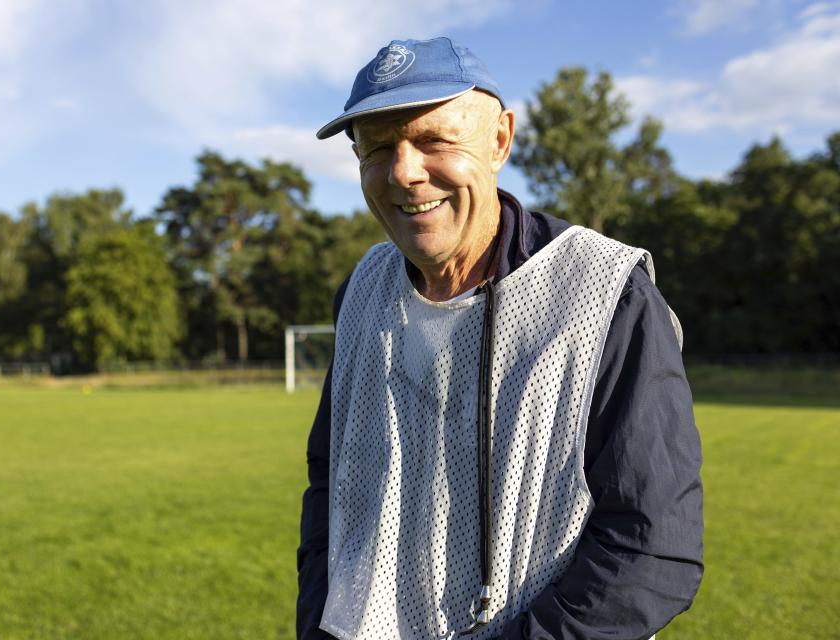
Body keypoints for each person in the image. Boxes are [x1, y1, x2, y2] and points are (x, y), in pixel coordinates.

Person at [297, 37, 703, 640]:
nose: (404, 172)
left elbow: (652, 549)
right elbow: (330, 484)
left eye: (434, 139)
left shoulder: (605, 294)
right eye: (378, 148)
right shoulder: (361, 291)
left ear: (499, 140)